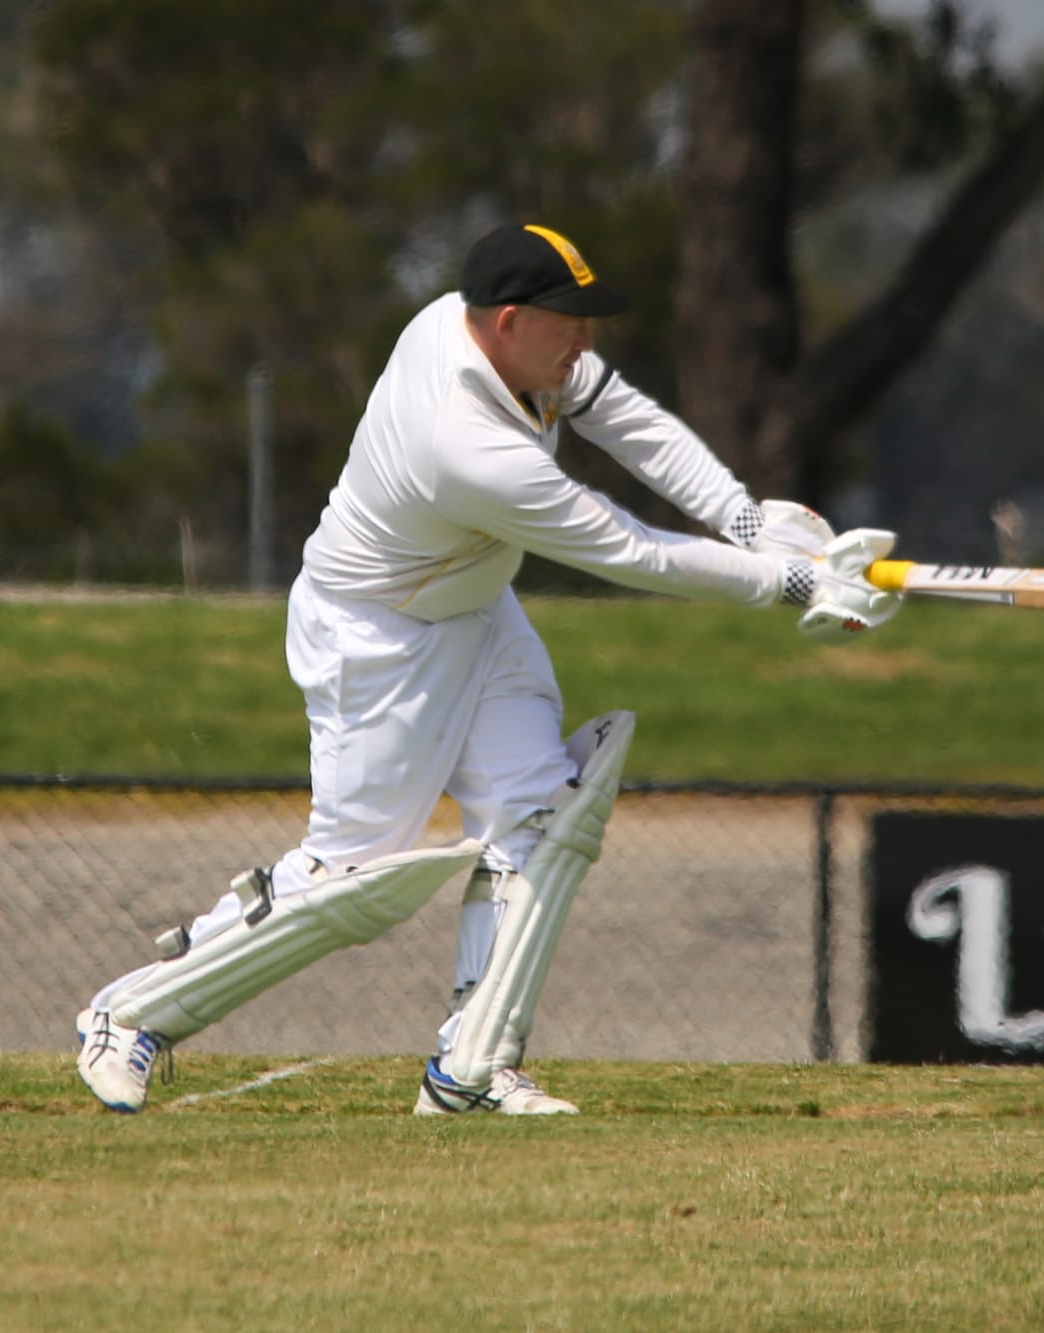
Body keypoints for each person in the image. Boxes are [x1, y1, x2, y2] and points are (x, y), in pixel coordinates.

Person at [74, 223, 902, 1115]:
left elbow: (629, 422)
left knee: (543, 814)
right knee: (354, 886)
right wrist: (794, 581)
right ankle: (127, 1016)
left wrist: (746, 523)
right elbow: (632, 553)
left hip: (477, 610)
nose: (585, 342)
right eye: (568, 322)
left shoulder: (507, 346)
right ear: (509, 321)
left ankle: (471, 1068)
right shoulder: (463, 442)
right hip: (377, 639)